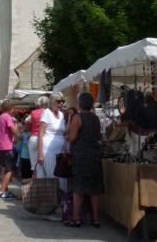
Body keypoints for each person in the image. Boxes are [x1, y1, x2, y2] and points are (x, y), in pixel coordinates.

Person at [66, 92, 103, 228]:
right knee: (95, 190)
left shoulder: (78, 117)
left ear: (79, 104)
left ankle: (76, 218)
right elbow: (98, 136)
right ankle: (96, 219)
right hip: (95, 155)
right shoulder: (95, 118)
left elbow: (73, 137)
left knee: (79, 189)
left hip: (81, 156)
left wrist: (68, 137)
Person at [37, 92, 67, 191]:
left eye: (63, 101)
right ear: (53, 102)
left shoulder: (62, 115)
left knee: (62, 177)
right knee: (52, 177)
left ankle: (62, 200)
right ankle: (53, 200)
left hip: (61, 152)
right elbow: (40, 134)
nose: (61, 104)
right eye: (59, 101)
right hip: (48, 150)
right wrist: (40, 154)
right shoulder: (47, 113)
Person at [0, 100, 18, 199]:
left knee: (4, 167)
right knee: (11, 169)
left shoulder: (0, 117)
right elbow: (14, 131)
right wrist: (16, 123)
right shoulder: (8, 117)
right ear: (10, 108)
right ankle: (1, 192)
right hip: (7, 145)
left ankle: (5, 190)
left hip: (0, 145)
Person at [28, 95, 49, 171]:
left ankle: (35, 180)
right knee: (45, 163)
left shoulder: (33, 112)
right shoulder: (49, 112)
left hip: (34, 137)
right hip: (44, 138)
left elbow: (27, 122)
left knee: (34, 164)